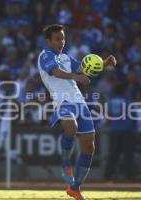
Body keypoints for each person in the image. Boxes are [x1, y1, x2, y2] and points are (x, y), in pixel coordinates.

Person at [37, 24, 116, 200]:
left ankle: (75, 188)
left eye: (63, 38)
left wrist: (104, 63)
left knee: (89, 147)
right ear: (48, 41)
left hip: (80, 102)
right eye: (57, 39)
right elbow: (56, 72)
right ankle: (66, 163)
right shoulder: (45, 55)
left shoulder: (66, 58)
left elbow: (84, 69)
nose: (61, 42)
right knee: (71, 128)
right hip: (63, 101)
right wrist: (75, 77)